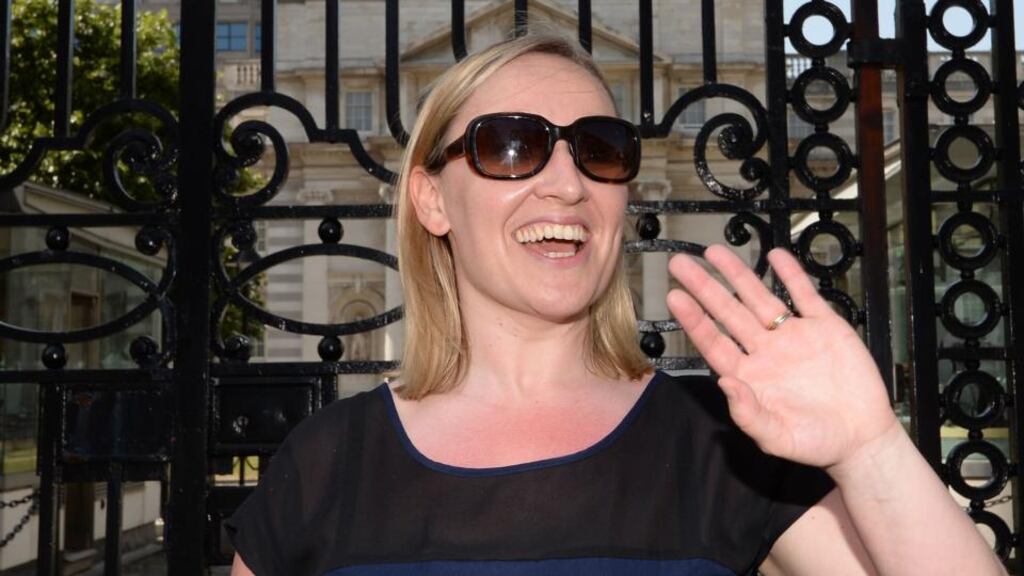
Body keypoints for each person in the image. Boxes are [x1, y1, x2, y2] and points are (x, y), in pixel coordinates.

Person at [226, 31, 1007, 576]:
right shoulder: (322, 464)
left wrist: (870, 447)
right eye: (510, 145)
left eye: (599, 148)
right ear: (431, 199)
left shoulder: (721, 448)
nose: (567, 183)